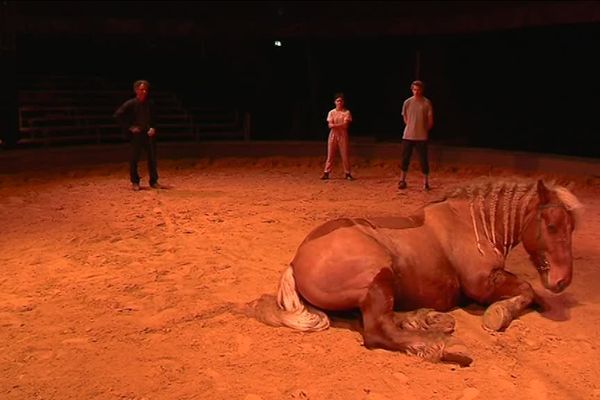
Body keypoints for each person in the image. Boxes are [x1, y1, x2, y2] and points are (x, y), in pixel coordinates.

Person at [114, 79, 160, 191]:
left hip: (148, 134)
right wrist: (130, 127)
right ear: (136, 90)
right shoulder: (130, 104)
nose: (144, 91)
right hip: (137, 135)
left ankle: (153, 181)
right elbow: (118, 115)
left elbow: (154, 118)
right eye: (141, 89)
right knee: (134, 159)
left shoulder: (150, 104)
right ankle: (135, 182)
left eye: (145, 89)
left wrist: (153, 128)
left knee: (152, 159)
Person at [398, 80, 434, 191]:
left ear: (422, 90)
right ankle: (402, 180)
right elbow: (405, 117)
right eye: (414, 89)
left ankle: (425, 182)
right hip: (408, 136)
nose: (416, 92)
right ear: (412, 90)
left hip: (421, 137)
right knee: (405, 159)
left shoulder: (426, 103)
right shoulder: (407, 102)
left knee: (423, 160)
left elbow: (430, 120)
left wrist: (423, 130)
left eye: (418, 90)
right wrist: (410, 126)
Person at [321, 93, 354, 181]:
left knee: (344, 154)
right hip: (333, 134)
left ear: (343, 102)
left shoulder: (346, 112)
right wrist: (339, 125)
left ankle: (347, 173)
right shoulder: (331, 112)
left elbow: (345, 125)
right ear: (335, 102)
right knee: (330, 154)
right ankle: (326, 172)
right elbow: (330, 125)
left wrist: (335, 125)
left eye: (341, 101)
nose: (339, 102)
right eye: (337, 101)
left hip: (343, 135)